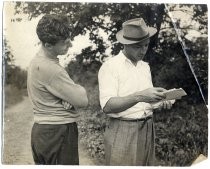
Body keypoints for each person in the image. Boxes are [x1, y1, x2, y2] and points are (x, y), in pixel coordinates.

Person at [98, 18, 174, 166]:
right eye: (138, 47)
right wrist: (140, 96)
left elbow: (145, 103)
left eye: (146, 45)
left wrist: (160, 101)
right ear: (125, 44)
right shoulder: (110, 67)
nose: (143, 50)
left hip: (148, 128)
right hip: (123, 129)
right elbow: (107, 106)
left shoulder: (144, 66)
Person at [27, 14, 88, 165]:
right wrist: (78, 90)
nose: (71, 45)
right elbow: (82, 101)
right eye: (65, 43)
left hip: (43, 133)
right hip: (58, 133)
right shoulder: (52, 69)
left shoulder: (36, 62)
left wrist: (66, 98)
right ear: (48, 45)